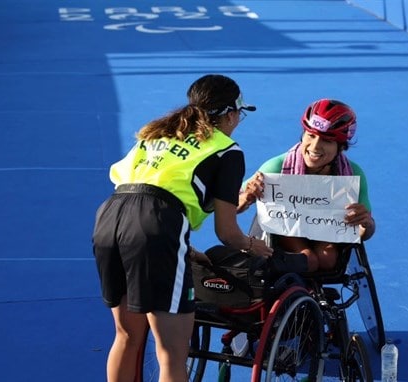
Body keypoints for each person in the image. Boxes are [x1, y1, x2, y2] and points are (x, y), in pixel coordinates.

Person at [92, 74, 273, 382]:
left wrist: (183, 250)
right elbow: (227, 233)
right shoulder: (226, 150)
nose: (238, 121)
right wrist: (256, 246)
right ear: (230, 114)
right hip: (156, 224)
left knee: (126, 336)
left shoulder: (156, 134)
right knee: (172, 353)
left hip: (109, 217)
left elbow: (143, 195)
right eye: (239, 115)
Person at [239, 98, 375, 272]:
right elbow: (231, 206)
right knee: (308, 260)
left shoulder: (354, 174)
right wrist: (246, 197)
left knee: (328, 259)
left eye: (326, 140)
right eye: (311, 136)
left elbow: (365, 234)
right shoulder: (275, 168)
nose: (315, 147)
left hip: (324, 230)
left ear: (341, 147)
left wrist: (367, 223)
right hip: (282, 232)